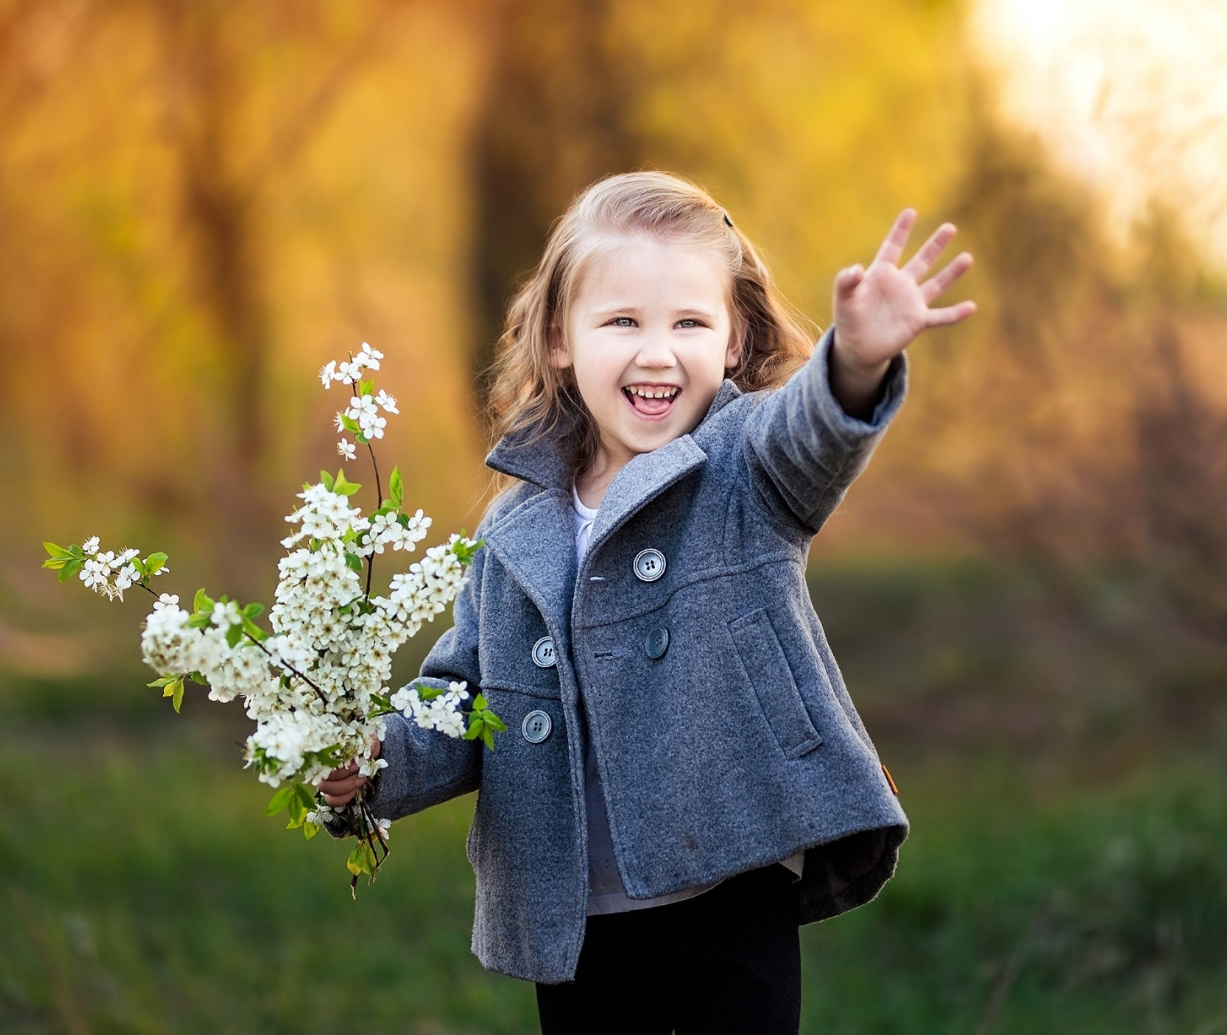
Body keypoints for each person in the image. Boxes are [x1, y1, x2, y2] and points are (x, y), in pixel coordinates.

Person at [320, 171, 974, 1033]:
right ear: (560, 339)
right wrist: (374, 761)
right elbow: (468, 698)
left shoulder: (744, 464)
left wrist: (855, 361)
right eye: (623, 320)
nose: (658, 351)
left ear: (735, 341)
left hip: (731, 889)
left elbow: (811, 434)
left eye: (690, 323)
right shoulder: (519, 523)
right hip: (579, 915)